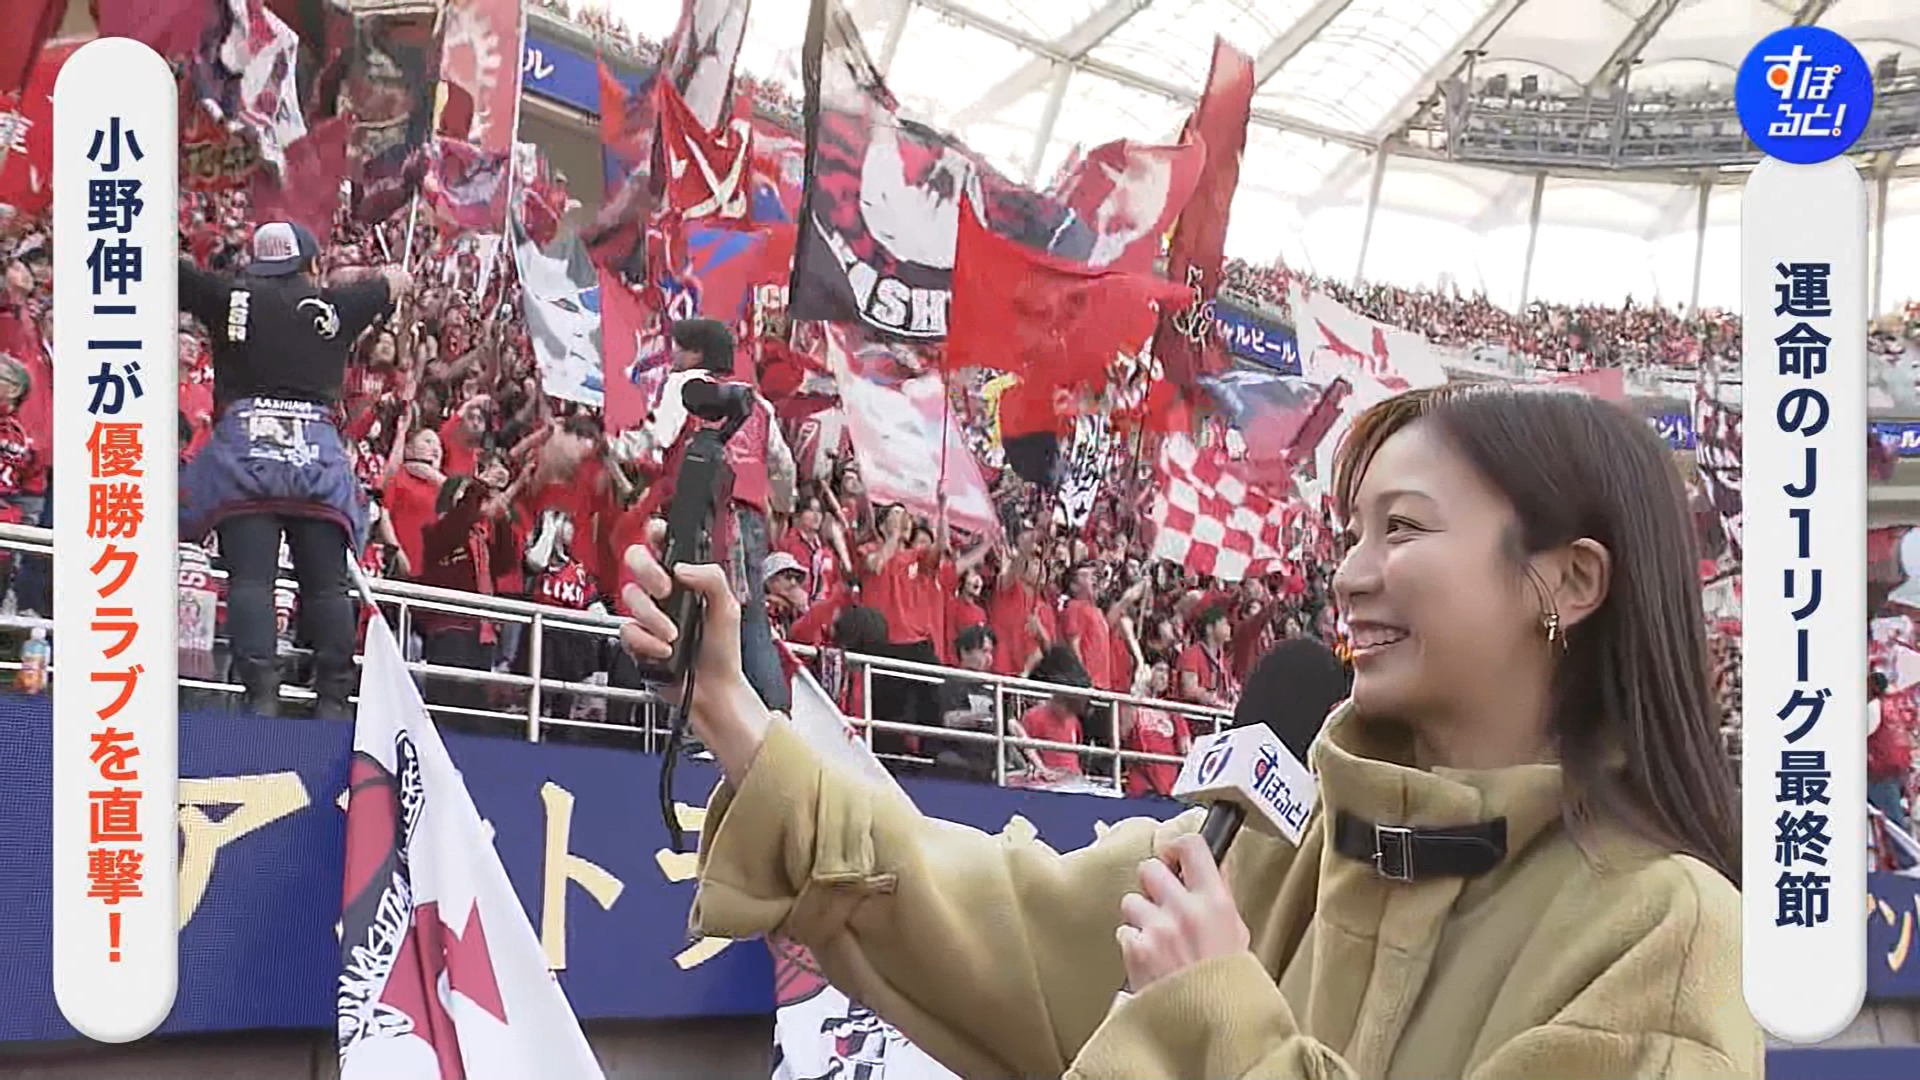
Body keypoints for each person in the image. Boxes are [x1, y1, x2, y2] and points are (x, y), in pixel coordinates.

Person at [617, 383, 1758, 1079]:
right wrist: (733, 713)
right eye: (1351, 535)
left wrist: (1214, 1017)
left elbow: (1197, 1013)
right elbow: (1000, 920)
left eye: (1403, 530)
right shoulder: (1276, 835)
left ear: (1568, 581)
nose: (1350, 577)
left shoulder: (1664, 936)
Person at [178, 222, 410, 716]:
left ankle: (260, 695)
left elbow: (168, 271)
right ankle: (333, 699)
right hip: (315, 458)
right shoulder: (334, 305)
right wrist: (376, 277)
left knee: (251, 582)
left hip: (245, 457)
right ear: (311, 263)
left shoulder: (228, 296)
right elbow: (396, 280)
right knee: (326, 585)